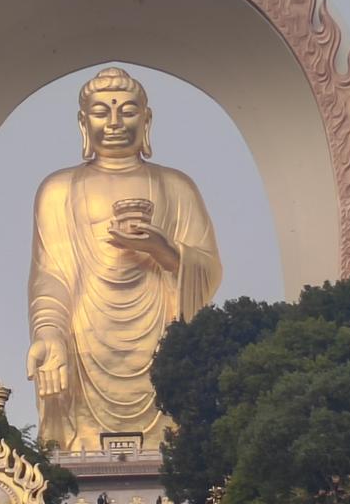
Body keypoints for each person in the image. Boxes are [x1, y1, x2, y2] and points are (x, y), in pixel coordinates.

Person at [26, 67, 223, 451]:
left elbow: (209, 270)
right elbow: (51, 277)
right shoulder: (57, 191)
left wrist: (165, 252)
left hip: (162, 335)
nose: (115, 122)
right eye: (102, 112)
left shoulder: (177, 187)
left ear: (146, 120)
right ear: (83, 123)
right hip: (85, 341)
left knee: (178, 429)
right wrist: (48, 333)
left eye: (128, 111)